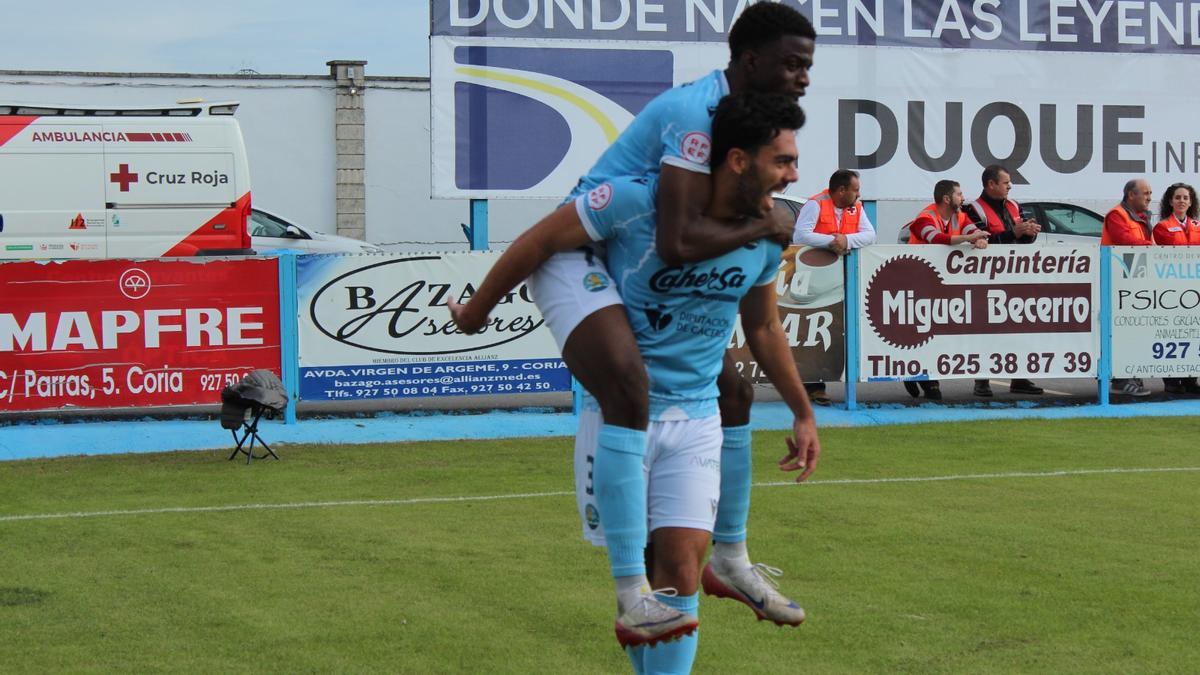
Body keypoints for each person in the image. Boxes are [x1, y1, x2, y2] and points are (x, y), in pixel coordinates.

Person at [450, 4, 819, 650]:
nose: (803, 78)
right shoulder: (694, 118)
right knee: (630, 383)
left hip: (646, 275)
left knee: (730, 391)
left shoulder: (747, 165)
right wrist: (476, 311)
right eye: (793, 64)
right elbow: (675, 241)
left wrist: (802, 411)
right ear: (751, 62)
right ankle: (631, 596)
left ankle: (728, 554)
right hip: (583, 252)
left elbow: (759, 323)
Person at [791, 168, 876, 404]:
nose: (859, 195)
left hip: (842, 277)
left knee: (837, 328)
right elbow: (800, 236)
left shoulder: (855, 207)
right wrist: (832, 241)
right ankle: (813, 384)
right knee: (812, 328)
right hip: (813, 278)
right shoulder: (816, 204)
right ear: (841, 190)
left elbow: (870, 235)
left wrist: (846, 240)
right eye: (855, 189)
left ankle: (822, 380)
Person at [903, 180, 988, 400]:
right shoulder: (925, 218)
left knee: (936, 331)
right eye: (959, 194)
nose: (963, 197)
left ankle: (922, 376)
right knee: (918, 331)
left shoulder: (959, 216)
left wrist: (979, 240)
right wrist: (970, 238)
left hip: (939, 284)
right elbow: (937, 238)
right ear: (947, 198)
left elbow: (976, 231)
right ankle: (914, 374)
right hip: (916, 282)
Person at [966, 165, 1044, 397]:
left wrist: (1030, 233)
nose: (1009, 186)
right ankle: (982, 380)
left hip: (1016, 277)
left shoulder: (1013, 206)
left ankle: (1018, 377)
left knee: (1018, 327)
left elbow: (1020, 241)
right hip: (986, 279)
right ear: (991, 184)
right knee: (986, 329)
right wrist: (1014, 234)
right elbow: (980, 241)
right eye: (1005, 182)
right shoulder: (974, 210)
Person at [1104, 179, 1155, 397]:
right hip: (1116, 280)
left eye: (1150, 193)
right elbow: (1125, 241)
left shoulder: (1143, 217)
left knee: (1133, 328)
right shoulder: (1117, 215)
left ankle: (1129, 373)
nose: (1149, 197)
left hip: (1134, 279)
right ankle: (1120, 378)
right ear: (1130, 195)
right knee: (1119, 329)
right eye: (1145, 193)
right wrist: (1153, 247)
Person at [1154, 183, 1200, 395]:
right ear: (1170, 201)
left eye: (1185, 198)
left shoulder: (1198, 225)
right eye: (1178, 197)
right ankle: (1171, 379)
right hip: (1171, 287)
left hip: (1194, 288)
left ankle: (1191, 377)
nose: (1182, 201)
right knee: (1171, 332)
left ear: (1191, 202)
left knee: (1193, 331)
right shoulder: (1162, 227)